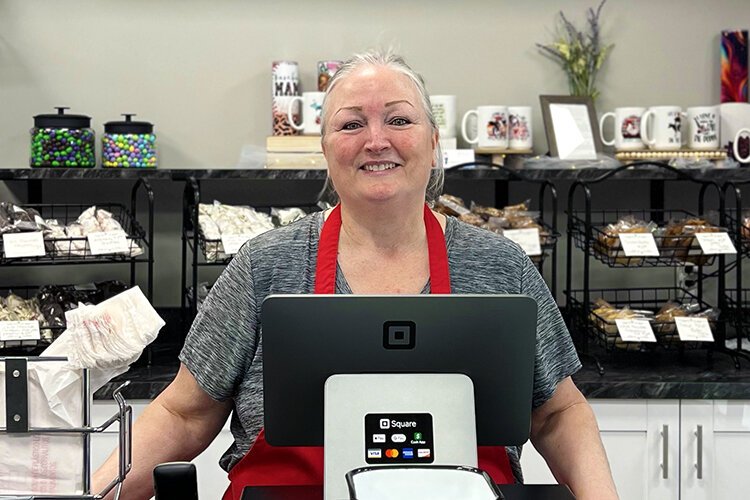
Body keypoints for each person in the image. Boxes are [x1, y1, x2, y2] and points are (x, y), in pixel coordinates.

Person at [93, 49, 618, 500]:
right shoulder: (265, 265)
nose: (376, 140)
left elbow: (558, 414)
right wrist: (97, 492)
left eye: (398, 119)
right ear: (326, 151)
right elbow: (185, 414)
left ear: (434, 143)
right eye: (350, 124)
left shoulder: (500, 267)